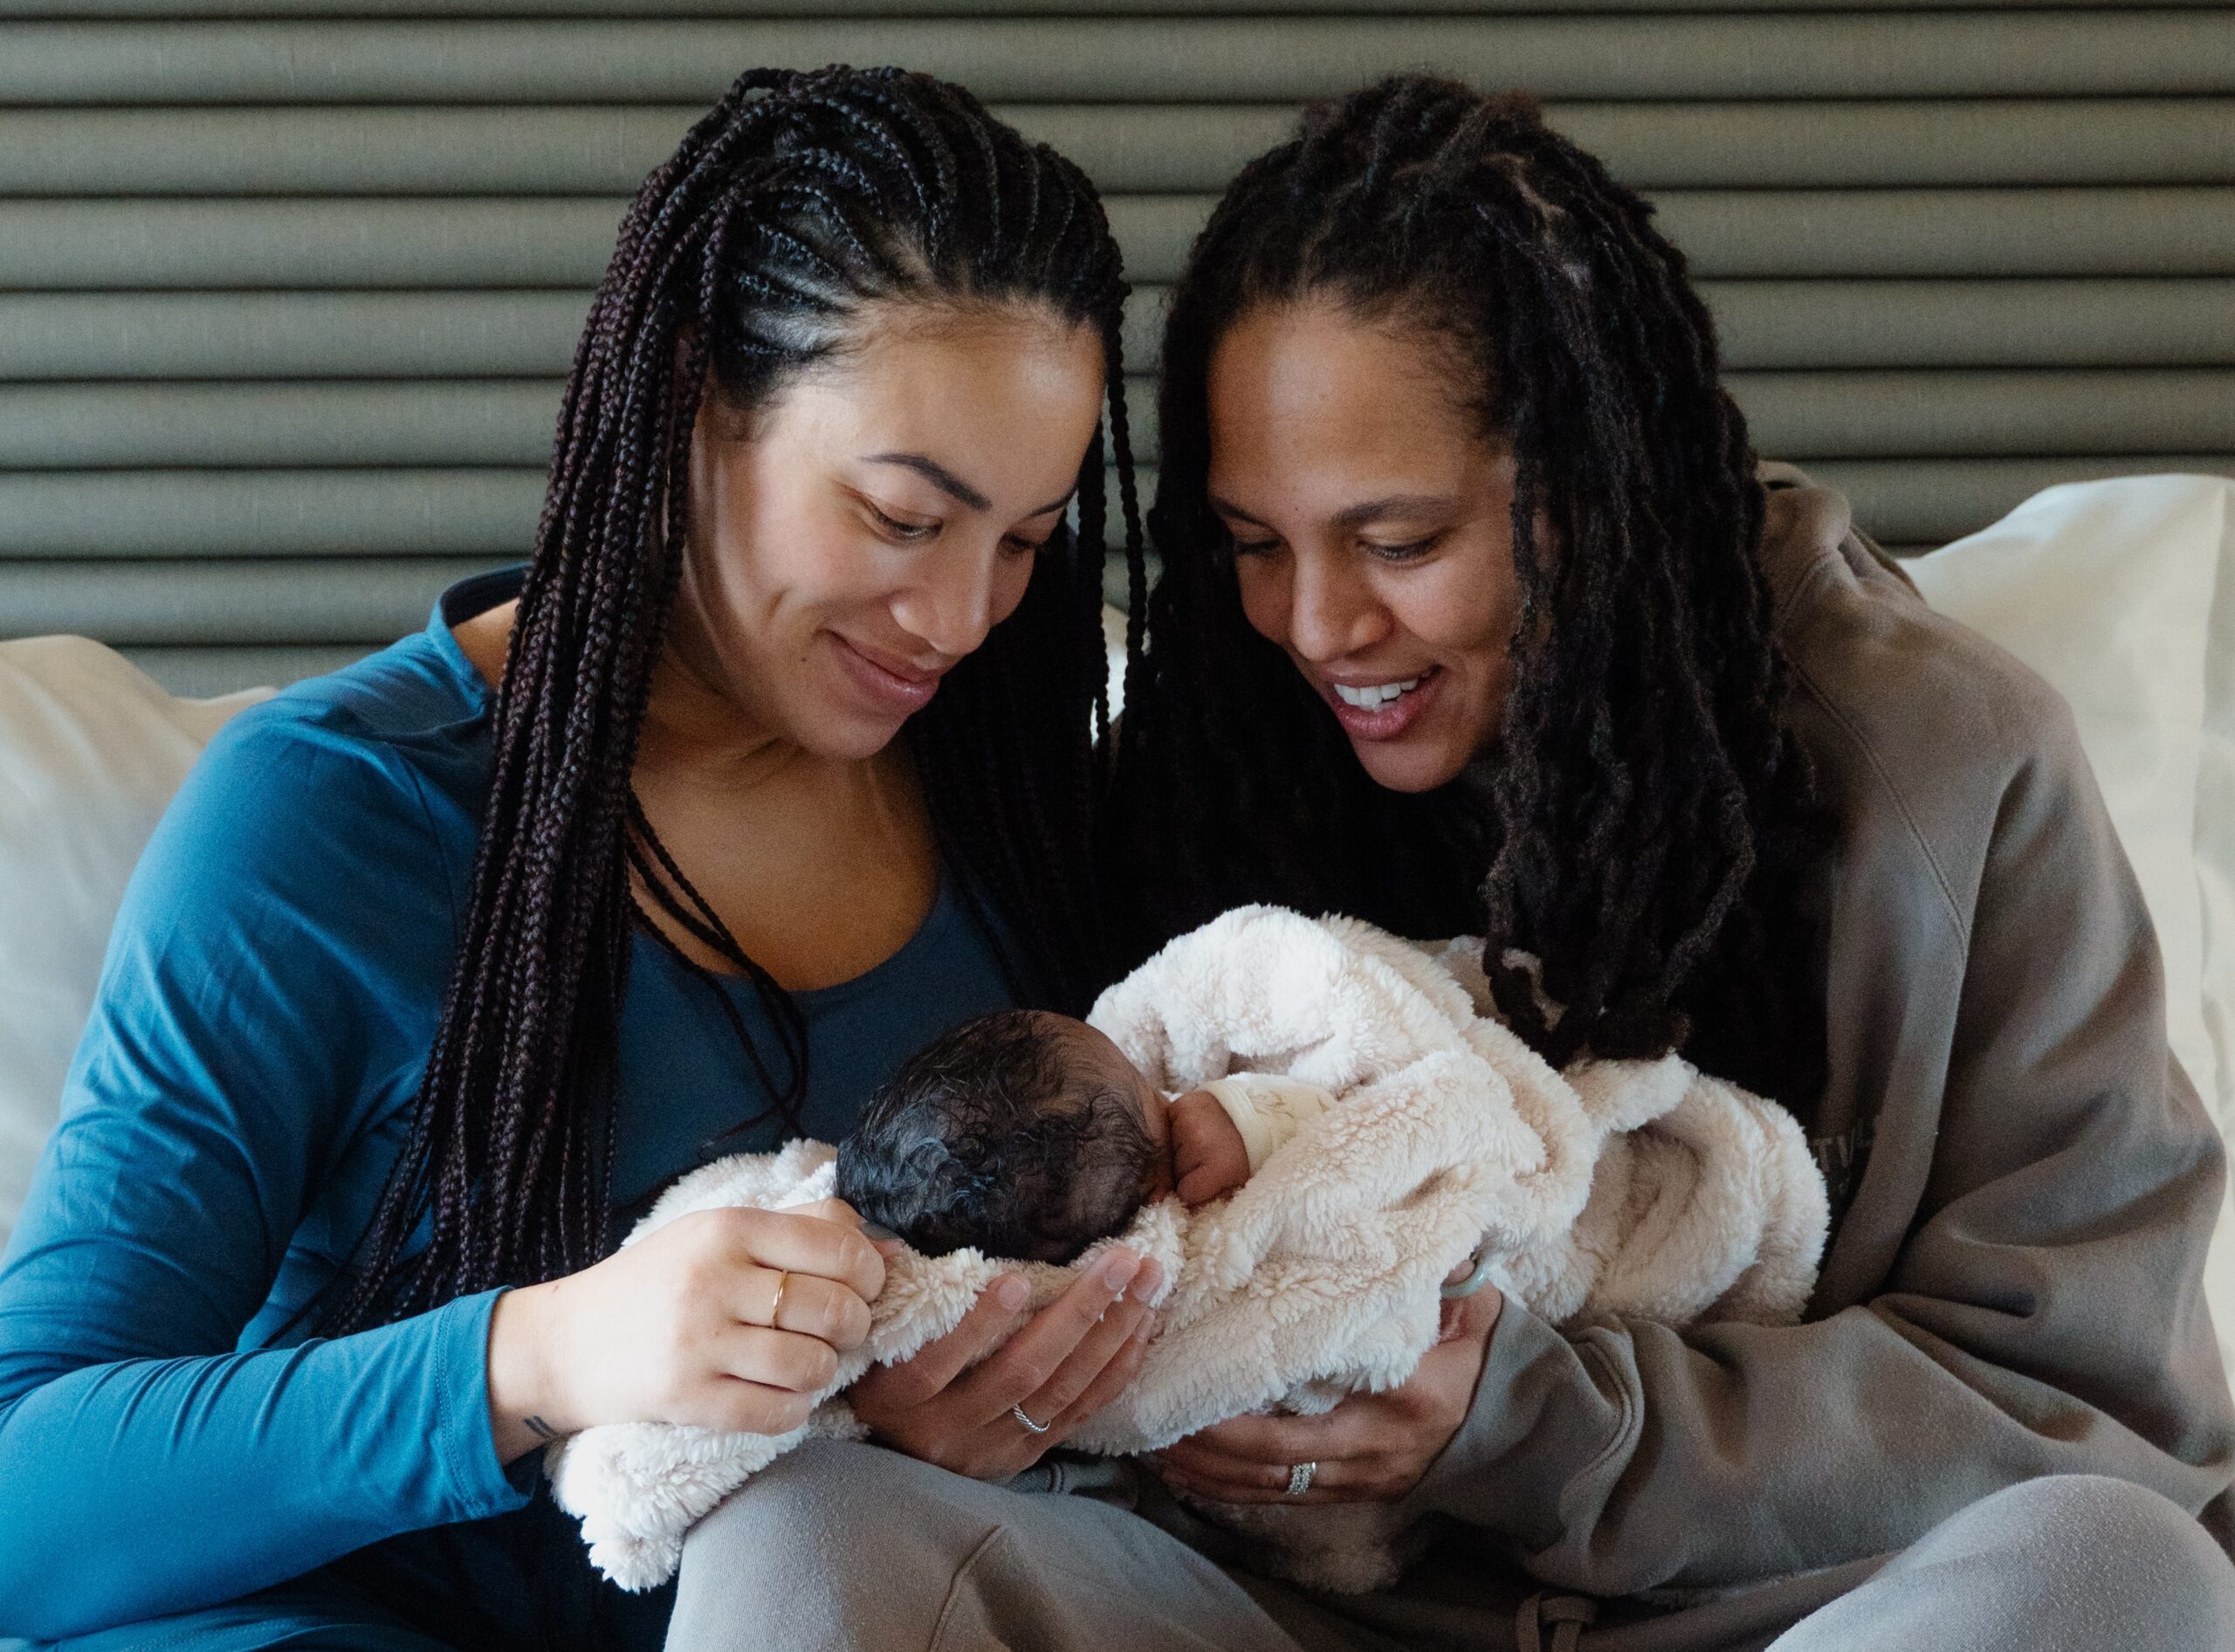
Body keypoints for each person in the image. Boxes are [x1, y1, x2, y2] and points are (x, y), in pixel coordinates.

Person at [666, 76, 2235, 1651]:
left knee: (2123, 1574)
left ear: (1589, 494)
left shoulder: (1946, 769)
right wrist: (990, 1390)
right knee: (802, 1540)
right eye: (1255, 545)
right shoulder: (1215, 729)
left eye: (1400, 542)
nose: (1320, 627)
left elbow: (2096, 1409)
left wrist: (1527, 1417)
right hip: (1275, 1611)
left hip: (1779, 1610)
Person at [0, 65, 1168, 1650]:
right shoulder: (342, 817)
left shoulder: (1021, 804)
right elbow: (24, 1493)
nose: (962, 619)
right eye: (902, 519)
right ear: (695, 398)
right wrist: (538, 1362)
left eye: (1025, 542)